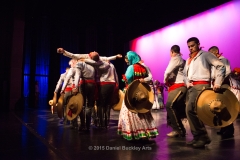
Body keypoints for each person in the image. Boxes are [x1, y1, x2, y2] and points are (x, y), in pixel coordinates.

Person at [183, 37, 225, 148]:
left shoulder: (205, 55)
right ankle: (198, 137)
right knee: (189, 111)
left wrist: (218, 82)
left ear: (198, 44)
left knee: (190, 110)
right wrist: (187, 82)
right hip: (191, 87)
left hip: (201, 86)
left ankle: (203, 137)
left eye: (192, 45)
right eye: (189, 46)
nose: (191, 48)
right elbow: (184, 74)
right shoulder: (189, 60)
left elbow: (220, 65)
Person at [117, 51, 159, 141]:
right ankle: (145, 131)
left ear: (131, 58)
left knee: (130, 112)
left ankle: (134, 132)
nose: (127, 62)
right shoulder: (145, 67)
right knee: (143, 111)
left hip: (131, 92)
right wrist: (143, 80)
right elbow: (150, 77)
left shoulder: (131, 68)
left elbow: (127, 79)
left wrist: (123, 80)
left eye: (127, 60)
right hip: (141, 92)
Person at [208, 46, 234, 139]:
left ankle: (229, 129)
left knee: (225, 107)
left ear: (215, 52)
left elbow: (227, 72)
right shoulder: (215, 62)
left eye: (211, 54)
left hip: (223, 85)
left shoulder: (223, 60)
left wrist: (218, 80)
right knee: (219, 107)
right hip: (217, 85)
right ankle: (223, 128)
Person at [163, 45, 187, 137]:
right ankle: (178, 129)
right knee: (175, 107)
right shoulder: (182, 60)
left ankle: (179, 130)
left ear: (172, 52)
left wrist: (165, 80)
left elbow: (167, 71)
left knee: (170, 105)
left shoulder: (176, 58)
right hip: (178, 86)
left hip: (179, 86)